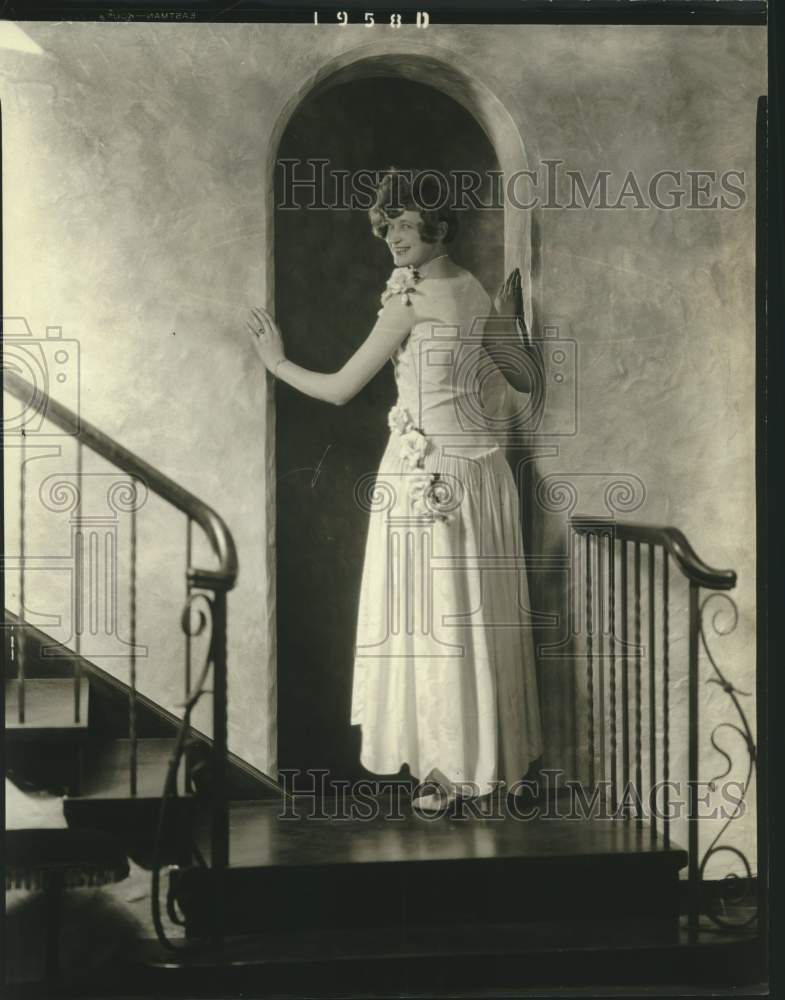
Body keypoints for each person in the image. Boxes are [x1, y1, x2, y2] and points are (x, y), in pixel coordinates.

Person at [249, 169, 543, 811]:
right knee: (463, 615)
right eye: (386, 227)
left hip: (431, 476)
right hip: (481, 473)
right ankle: (479, 760)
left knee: (436, 620)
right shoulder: (477, 290)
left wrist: (275, 363)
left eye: (404, 224)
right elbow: (522, 380)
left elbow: (338, 388)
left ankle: (446, 770)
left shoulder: (409, 300)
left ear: (437, 227)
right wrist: (510, 321)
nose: (392, 239)